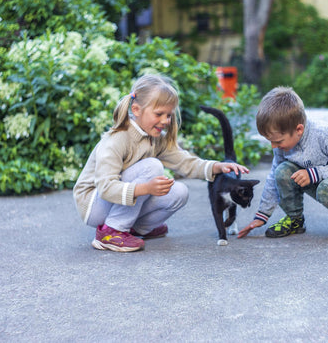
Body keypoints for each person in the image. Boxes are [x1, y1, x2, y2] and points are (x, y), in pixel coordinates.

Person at [73, 74, 249, 252]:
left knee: (180, 192)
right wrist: (146, 188)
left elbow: (183, 162)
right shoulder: (117, 139)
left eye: (168, 115)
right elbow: (105, 187)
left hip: (114, 203)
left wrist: (215, 166)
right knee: (153, 166)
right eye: (159, 114)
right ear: (136, 109)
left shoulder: (155, 138)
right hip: (93, 204)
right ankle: (112, 232)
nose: (165, 121)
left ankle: (137, 229)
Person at [237, 86, 328, 241]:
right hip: (314, 176)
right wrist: (262, 215)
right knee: (282, 171)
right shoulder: (282, 144)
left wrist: (314, 174)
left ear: (298, 129)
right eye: (270, 141)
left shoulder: (325, 134)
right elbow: (274, 177)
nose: (273, 146)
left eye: (277, 141)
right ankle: (295, 219)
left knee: (327, 188)